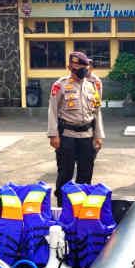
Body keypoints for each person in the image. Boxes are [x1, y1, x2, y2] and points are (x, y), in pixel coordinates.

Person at [47, 51, 105, 205]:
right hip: (67, 136)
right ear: (69, 67)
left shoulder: (93, 86)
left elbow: (97, 112)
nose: (82, 69)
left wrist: (98, 135)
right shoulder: (60, 85)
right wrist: (53, 135)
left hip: (87, 136)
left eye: (84, 66)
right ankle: (62, 205)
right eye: (77, 66)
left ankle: (81, 206)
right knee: (65, 173)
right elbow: (52, 110)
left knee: (85, 173)